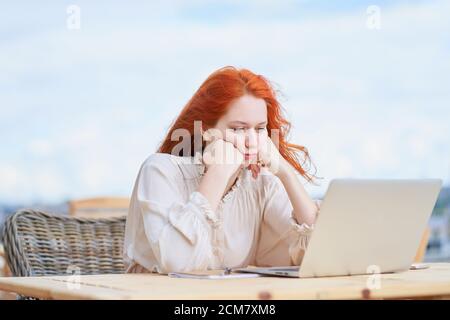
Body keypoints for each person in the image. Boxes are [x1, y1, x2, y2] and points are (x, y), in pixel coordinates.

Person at [123, 66, 320, 274]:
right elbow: (179, 263)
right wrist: (219, 172)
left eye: (260, 129)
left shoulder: (260, 185)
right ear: (206, 131)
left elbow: (317, 256)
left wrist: (285, 173)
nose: (252, 141)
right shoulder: (160, 171)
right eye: (238, 129)